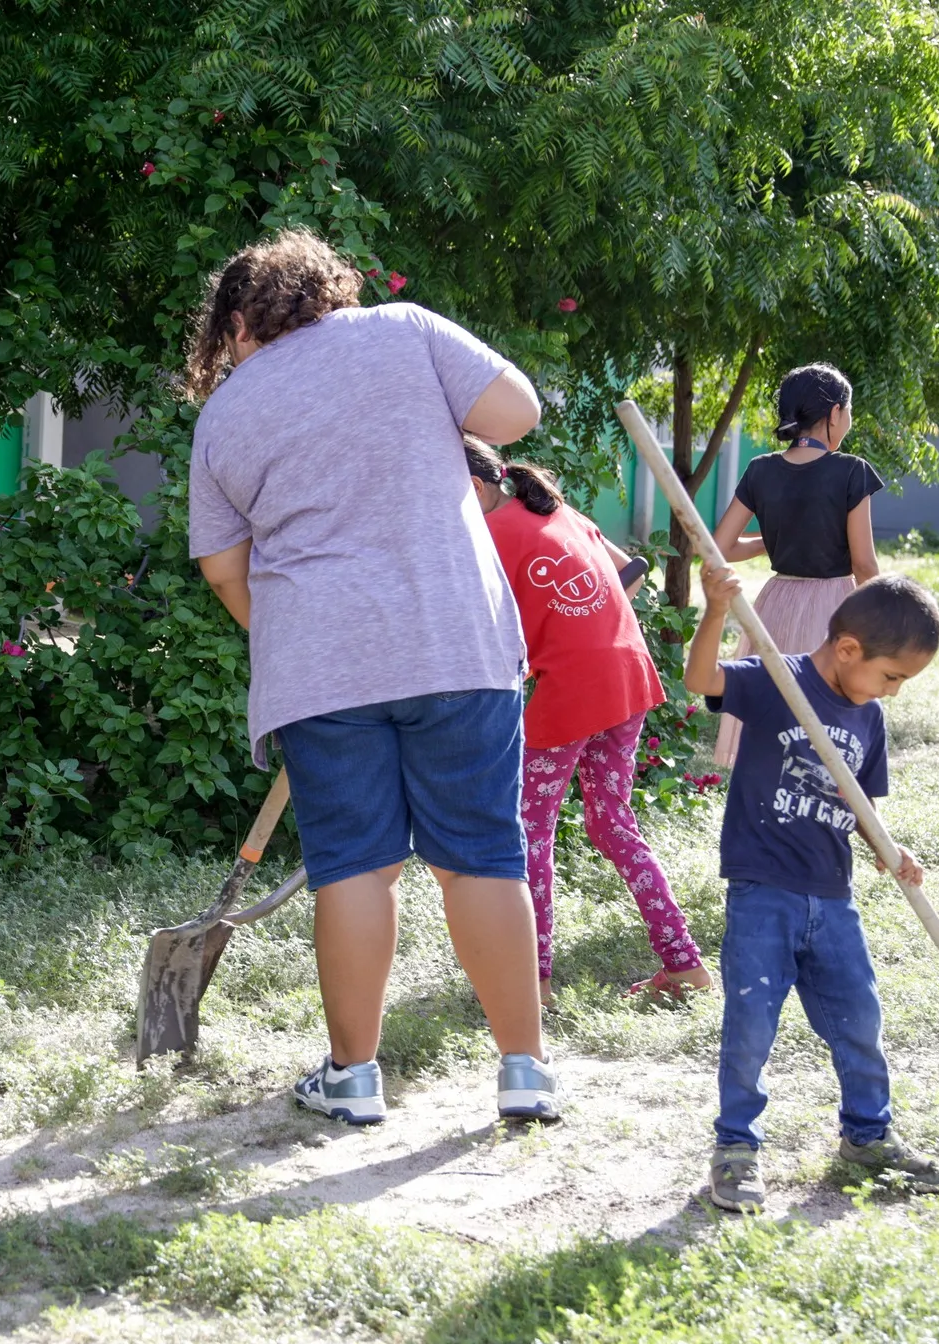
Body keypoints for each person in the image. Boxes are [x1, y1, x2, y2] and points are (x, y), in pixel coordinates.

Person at [186, 228, 559, 1126]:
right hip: (454, 642)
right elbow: (518, 415)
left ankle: (353, 1079)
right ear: (328, 291)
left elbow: (224, 571)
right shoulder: (404, 329)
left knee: (354, 865)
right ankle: (524, 1071)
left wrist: (296, 641)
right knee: (481, 854)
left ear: (237, 323)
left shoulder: (226, 413)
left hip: (319, 666)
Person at [686, 567, 939, 1212]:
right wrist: (716, 608)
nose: (893, 691)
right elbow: (701, 680)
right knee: (751, 1023)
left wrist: (890, 847)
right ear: (848, 649)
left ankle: (868, 1135)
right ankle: (736, 1149)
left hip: (833, 896)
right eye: (893, 675)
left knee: (860, 1020)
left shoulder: (869, 717)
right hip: (763, 891)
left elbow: (859, 801)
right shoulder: (780, 680)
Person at [463, 439, 710, 1005]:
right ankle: (683, 963)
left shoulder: (486, 535)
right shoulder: (558, 511)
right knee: (611, 823)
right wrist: (579, 627)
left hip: (571, 693)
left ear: (476, 488)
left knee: (530, 833)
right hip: (626, 677)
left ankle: (535, 981)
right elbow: (633, 573)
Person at [710, 363, 885, 767]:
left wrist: (770, 545)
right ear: (835, 413)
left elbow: (720, 547)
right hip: (832, 606)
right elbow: (864, 564)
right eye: (849, 412)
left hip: (775, 605)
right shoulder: (851, 471)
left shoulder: (761, 469)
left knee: (776, 710)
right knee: (826, 718)